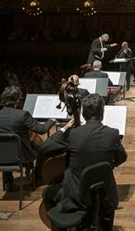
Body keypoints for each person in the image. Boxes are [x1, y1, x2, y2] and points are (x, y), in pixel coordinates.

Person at [40, 94, 127, 230]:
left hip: (76, 197)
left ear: (83, 114)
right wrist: (108, 165)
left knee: (47, 193)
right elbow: (122, 157)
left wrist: (64, 129)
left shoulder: (73, 134)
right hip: (105, 195)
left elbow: (44, 148)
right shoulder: (112, 134)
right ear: (102, 113)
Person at [0, 85, 56, 190]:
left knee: (4, 145)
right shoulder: (22, 115)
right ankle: (37, 179)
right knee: (42, 148)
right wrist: (52, 119)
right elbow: (42, 129)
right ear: (17, 100)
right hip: (20, 157)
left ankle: (8, 181)